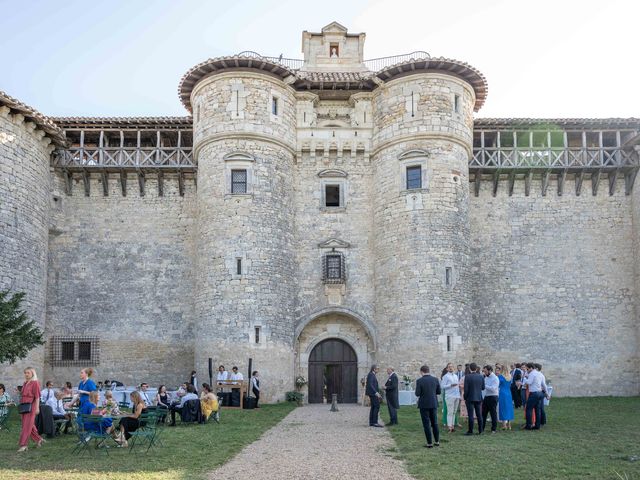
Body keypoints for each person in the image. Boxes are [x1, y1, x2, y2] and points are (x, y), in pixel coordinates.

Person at [18, 367, 44, 452]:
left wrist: (37, 408)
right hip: (24, 405)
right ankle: (38, 439)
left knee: (26, 426)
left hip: (31, 406)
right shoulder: (25, 383)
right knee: (28, 425)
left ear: (32, 373)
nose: (26, 374)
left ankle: (24, 445)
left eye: (28, 373)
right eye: (25, 373)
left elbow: (37, 397)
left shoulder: (35, 383)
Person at [415, 365, 441, 448]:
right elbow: (439, 392)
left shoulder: (420, 381)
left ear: (421, 371)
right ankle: (437, 441)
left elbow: (417, 393)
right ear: (428, 370)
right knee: (435, 423)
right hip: (433, 403)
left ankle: (429, 443)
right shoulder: (435, 379)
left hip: (424, 404)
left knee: (426, 424)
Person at [463, 362, 484, 435]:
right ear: (476, 368)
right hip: (478, 397)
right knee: (479, 415)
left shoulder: (467, 376)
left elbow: (466, 389)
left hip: (470, 398)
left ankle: (470, 430)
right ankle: (480, 430)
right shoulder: (481, 376)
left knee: (470, 415)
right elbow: (483, 387)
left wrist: (465, 397)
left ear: (469, 368)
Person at [523, 362, 544, 430]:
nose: (527, 370)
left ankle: (528, 425)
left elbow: (529, 382)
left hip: (534, 393)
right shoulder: (540, 374)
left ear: (531, 368)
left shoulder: (532, 373)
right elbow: (544, 384)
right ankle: (537, 426)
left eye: (527, 369)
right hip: (540, 393)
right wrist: (546, 393)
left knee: (528, 409)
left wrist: (525, 379)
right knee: (537, 410)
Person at [441, 363, 460, 433]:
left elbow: (457, 386)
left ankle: (452, 425)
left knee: (454, 412)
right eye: (449, 367)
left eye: (452, 367)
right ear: (447, 369)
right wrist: (450, 385)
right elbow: (442, 386)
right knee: (450, 412)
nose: (451, 368)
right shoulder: (445, 376)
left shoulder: (455, 376)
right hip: (449, 396)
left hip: (456, 395)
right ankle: (449, 427)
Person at [481, 365, 499, 434]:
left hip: (493, 397)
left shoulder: (495, 378)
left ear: (490, 370)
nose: (484, 373)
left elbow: (493, 388)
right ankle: (482, 428)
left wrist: (484, 385)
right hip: (486, 397)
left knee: (493, 413)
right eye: (484, 371)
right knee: (483, 413)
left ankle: (493, 429)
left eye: (485, 371)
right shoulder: (486, 378)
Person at [496, 364, 514, 430]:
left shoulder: (500, 376)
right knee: (509, 407)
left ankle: (504, 425)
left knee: (503, 407)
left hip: (502, 392)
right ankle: (509, 424)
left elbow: (498, 384)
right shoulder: (510, 376)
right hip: (508, 392)